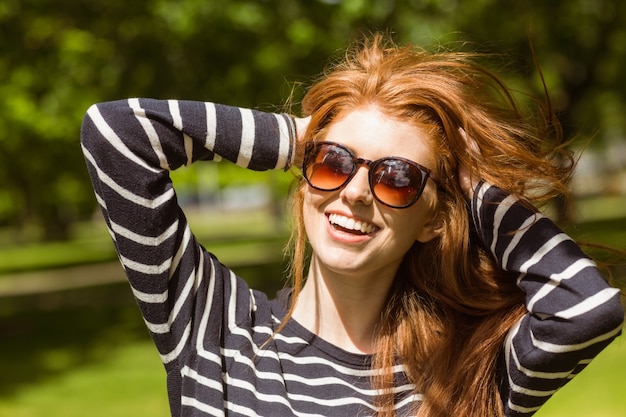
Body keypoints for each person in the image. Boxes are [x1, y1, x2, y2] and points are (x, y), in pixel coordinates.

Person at [80, 35, 623, 417]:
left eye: (397, 177)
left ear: (434, 216)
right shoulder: (214, 327)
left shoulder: (469, 372)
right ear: (303, 177)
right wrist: (307, 136)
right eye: (334, 164)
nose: (356, 191)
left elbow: (586, 311)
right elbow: (116, 133)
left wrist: (471, 183)